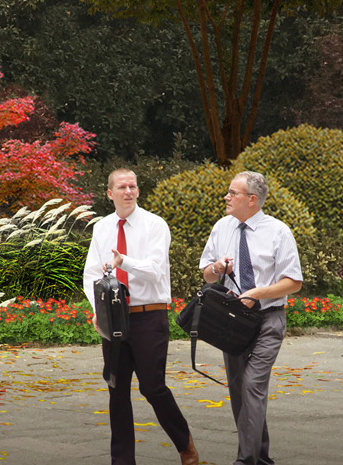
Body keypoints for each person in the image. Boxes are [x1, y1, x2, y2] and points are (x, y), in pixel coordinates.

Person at [84, 169, 198, 465]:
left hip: (149, 316)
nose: (128, 191)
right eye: (121, 187)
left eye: (132, 186)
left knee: (152, 387)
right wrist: (98, 311)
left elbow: (155, 270)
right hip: (115, 318)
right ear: (109, 193)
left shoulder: (154, 225)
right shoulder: (102, 228)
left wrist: (125, 262)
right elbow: (92, 273)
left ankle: (184, 443)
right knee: (117, 391)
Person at [199, 171, 303, 465]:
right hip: (231, 320)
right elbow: (206, 272)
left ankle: (245, 461)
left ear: (252, 200)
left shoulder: (278, 232)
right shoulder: (222, 227)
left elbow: (293, 283)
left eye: (233, 193)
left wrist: (258, 293)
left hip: (268, 319)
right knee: (239, 392)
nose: (226, 197)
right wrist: (217, 268)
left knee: (252, 385)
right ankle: (262, 458)